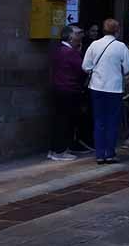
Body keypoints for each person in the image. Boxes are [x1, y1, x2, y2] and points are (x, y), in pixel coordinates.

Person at [81, 18, 129, 164]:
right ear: (117, 30)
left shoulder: (94, 45)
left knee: (99, 120)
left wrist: (96, 72)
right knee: (112, 121)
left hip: (97, 87)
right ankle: (109, 153)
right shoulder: (121, 46)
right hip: (114, 88)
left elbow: (85, 66)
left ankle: (99, 154)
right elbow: (128, 67)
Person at [49, 26, 87, 161]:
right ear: (70, 37)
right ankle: (60, 151)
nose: (81, 35)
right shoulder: (70, 52)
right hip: (69, 90)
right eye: (78, 33)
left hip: (58, 89)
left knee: (59, 120)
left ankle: (55, 149)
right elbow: (83, 69)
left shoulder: (59, 49)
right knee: (66, 121)